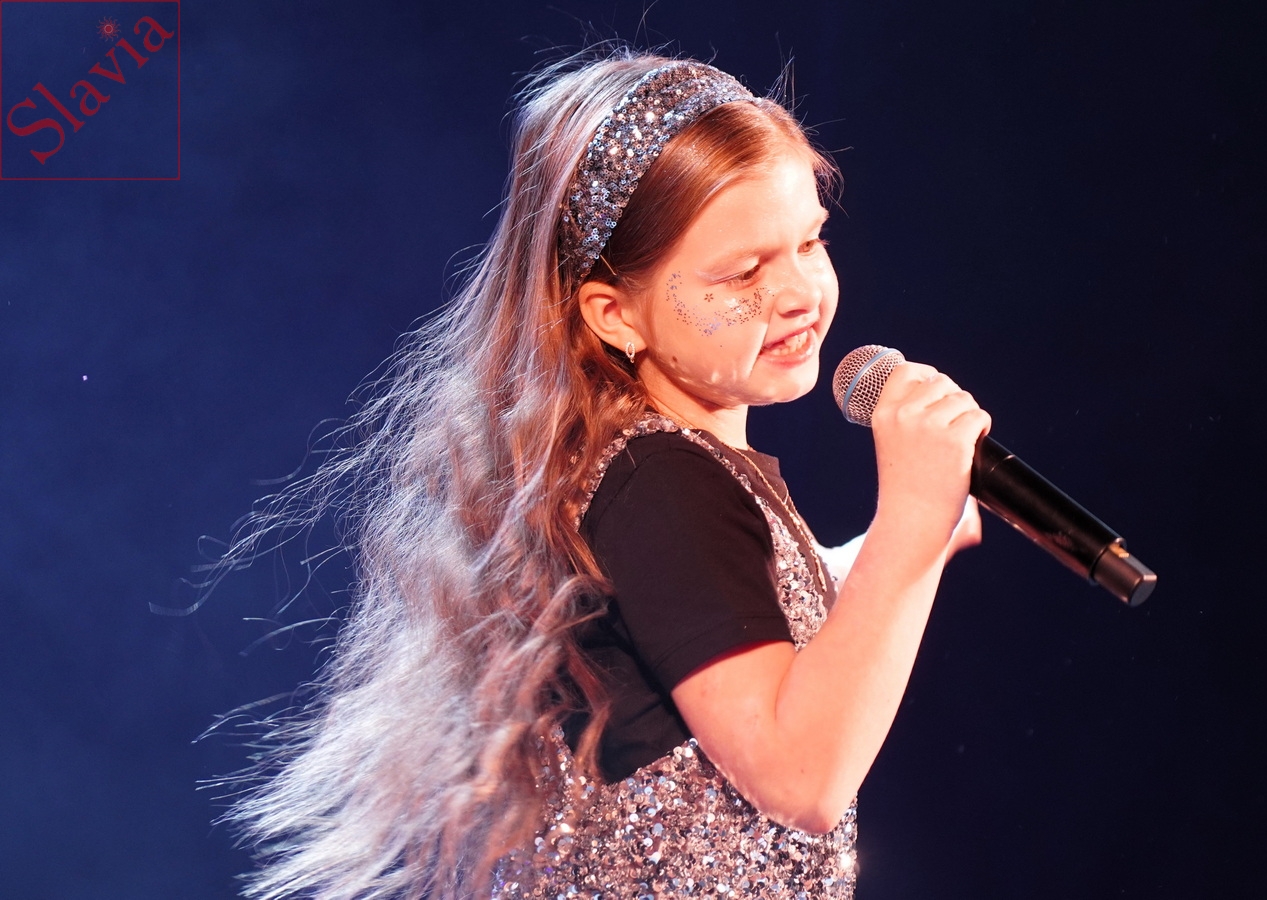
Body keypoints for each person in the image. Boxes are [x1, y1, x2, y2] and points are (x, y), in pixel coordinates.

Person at [222, 49, 988, 899]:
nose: (800, 291)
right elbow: (799, 777)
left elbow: (711, 626)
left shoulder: (653, 477)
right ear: (615, 314)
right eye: (743, 272)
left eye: (809, 242)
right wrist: (909, 521)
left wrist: (886, 552)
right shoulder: (661, 484)